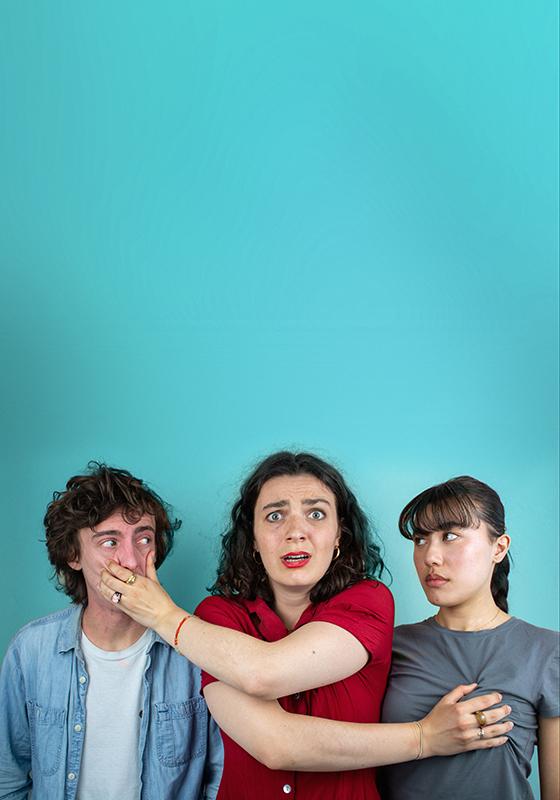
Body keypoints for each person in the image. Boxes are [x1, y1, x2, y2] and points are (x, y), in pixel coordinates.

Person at [100, 452, 511, 800]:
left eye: (316, 514)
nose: (296, 532)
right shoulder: (216, 617)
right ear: (253, 538)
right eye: (275, 516)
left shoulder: (369, 601)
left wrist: (164, 616)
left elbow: (265, 671)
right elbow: (275, 744)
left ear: (339, 535)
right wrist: (423, 737)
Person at [0, 463, 223, 800]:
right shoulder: (30, 651)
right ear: (73, 555)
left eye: (144, 539)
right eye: (109, 542)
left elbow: (221, 780)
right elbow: (8, 779)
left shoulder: (196, 651)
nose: (131, 561)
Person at [378, 475, 560, 800]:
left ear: (498, 548)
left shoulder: (547, 651)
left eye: (450, 536)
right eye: (420, 540)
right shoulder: (389, 646)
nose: (430, 556)